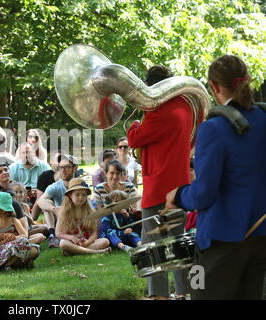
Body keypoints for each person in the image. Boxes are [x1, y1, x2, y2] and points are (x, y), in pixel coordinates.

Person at [165, 55, 266, 300]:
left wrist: (177, 195)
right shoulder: (264, 119)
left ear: (214, 86)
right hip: (260, 237)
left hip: (222, 239)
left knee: (198, 292)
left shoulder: (213, 128)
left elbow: (203, 194)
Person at [127, 65, 192, 300]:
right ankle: (185, 293)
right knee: (178, 242)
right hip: (181, 187)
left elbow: (135, 138)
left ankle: (159, 296)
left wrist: (134, 124)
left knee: (152, 245)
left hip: (158, 189)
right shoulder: (186, 106)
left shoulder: (158, 112)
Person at [56, 178, 111, 256]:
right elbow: (58, 233)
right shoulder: (64, 212)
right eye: (77, 195)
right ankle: (95, 252)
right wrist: (71, 238)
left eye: (83, 195)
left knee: (105, 241)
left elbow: (94, 233)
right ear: (70, 195)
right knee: (63, 243)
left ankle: (75, 251)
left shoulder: (90, 211)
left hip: (86, 242)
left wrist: (88, 242)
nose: (81, 197)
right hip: (71, 242)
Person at [0, 192, 40, 270]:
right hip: (0, 251)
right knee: (13, 246)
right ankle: (19, 263)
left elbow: (24, 235)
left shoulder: (14, 221)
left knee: (24, 241)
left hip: (14, 246)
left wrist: (14, 237)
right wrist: (4, 241)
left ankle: (8, 265)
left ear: (3, 210)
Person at [37, 154, 79, 248]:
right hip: (60, 219)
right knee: (47, 204)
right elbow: (40, 201)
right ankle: (52, 235)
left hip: (76, 219)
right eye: (61, 167)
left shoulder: (80, 184)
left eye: (67, 167)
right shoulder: (56, 186)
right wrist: (54, 209)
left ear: (75, 168)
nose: (63, 170)